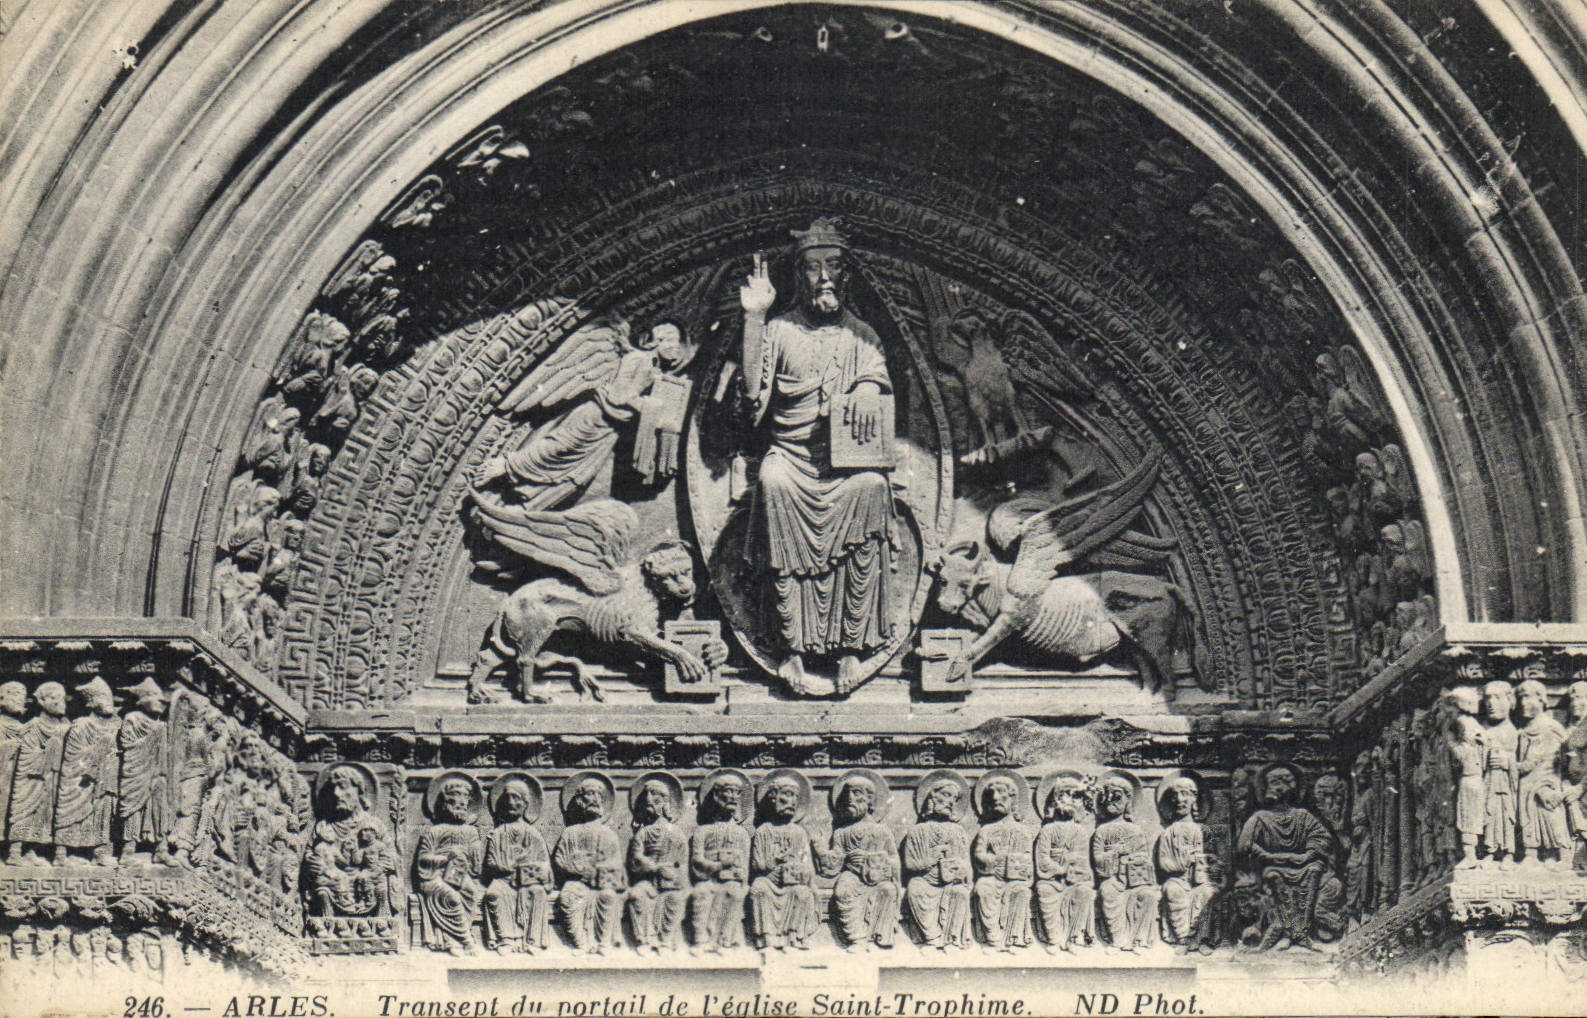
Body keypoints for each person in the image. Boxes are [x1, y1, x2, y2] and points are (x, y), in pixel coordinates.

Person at [740, 218, 898, 695]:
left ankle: (851, 647)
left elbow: (878, 379)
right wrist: (753, 317)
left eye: (834, 266)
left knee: (872, 487)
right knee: (773, 483)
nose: (824, 276)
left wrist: (869, 388)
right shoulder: (779, 330)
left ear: (847, 275)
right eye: (812, 268)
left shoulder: (861, 336)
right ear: (798, 277)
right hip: (790, 458)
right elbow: (751, 397)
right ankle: (791, 651)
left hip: (845, 467)